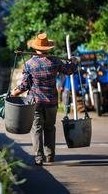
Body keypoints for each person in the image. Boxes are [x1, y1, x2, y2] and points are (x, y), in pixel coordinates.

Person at [11, 33, 78, 166]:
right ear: (48, 48)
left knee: (36, 128)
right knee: (49, 127)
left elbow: (25, 85)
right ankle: (50, 155)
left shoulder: (30, 64)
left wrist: (15, 93)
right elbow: (69, 70)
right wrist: (74, 62)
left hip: (35, 102)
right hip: (52, 102)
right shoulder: (55, 61)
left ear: (35, 48)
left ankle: (38, 158)